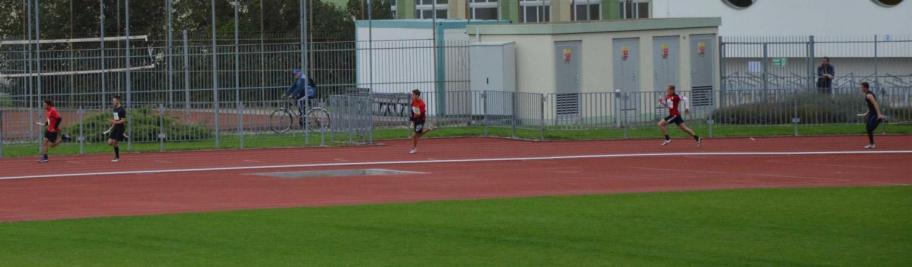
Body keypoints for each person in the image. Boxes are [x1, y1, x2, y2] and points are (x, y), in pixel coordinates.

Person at [858, 82, 885, 149]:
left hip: (874, 113)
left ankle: (879, 119)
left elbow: (875, 104)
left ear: (865, 87)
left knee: (870, 128)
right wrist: (866, 113)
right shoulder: (867, 94)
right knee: (868, 128)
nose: (860, 89)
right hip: (871, 113)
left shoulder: (869, 95)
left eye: (861, 87)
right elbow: (870, 106)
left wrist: (878, 114)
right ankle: (872, 144)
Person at [409, 89, 433, 154]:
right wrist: (412, 121)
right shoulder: (413, 101)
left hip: (420, 120)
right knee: (417, 135)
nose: (412, 96)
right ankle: (429, 129)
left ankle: (414, 149)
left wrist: (413, 120)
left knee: (415, 135)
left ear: (417, 95)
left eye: (413, 95)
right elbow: (413, 111)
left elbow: (419, 114)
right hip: (416, 119)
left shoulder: (421, 104)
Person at [106, 95, 127, 162]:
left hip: (120, 128)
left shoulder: (122, 110)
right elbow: (115, 120)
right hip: (115, 127)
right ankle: (116, 147)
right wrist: (111, 128)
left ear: (118, 101)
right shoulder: (114, 109)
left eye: (114, 101)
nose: (113, 102)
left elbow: (123, 120)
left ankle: (117, 157)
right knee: (109, 142)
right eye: (113, 101)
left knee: (114, 142)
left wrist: (115, 122)